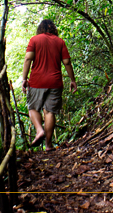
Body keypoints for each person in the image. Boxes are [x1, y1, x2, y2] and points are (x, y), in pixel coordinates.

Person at [21, 19, 77, 151]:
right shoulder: (60, 42)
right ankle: (48, 145)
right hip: (55, 82)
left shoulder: (34, 40)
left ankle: (39, 130)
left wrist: (24, 78)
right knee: (49, 112)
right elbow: (67, 62)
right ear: (54, 29)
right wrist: (72, 80)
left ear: (40, 29)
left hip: (37, 81)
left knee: (33, 108)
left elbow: (28, 58)